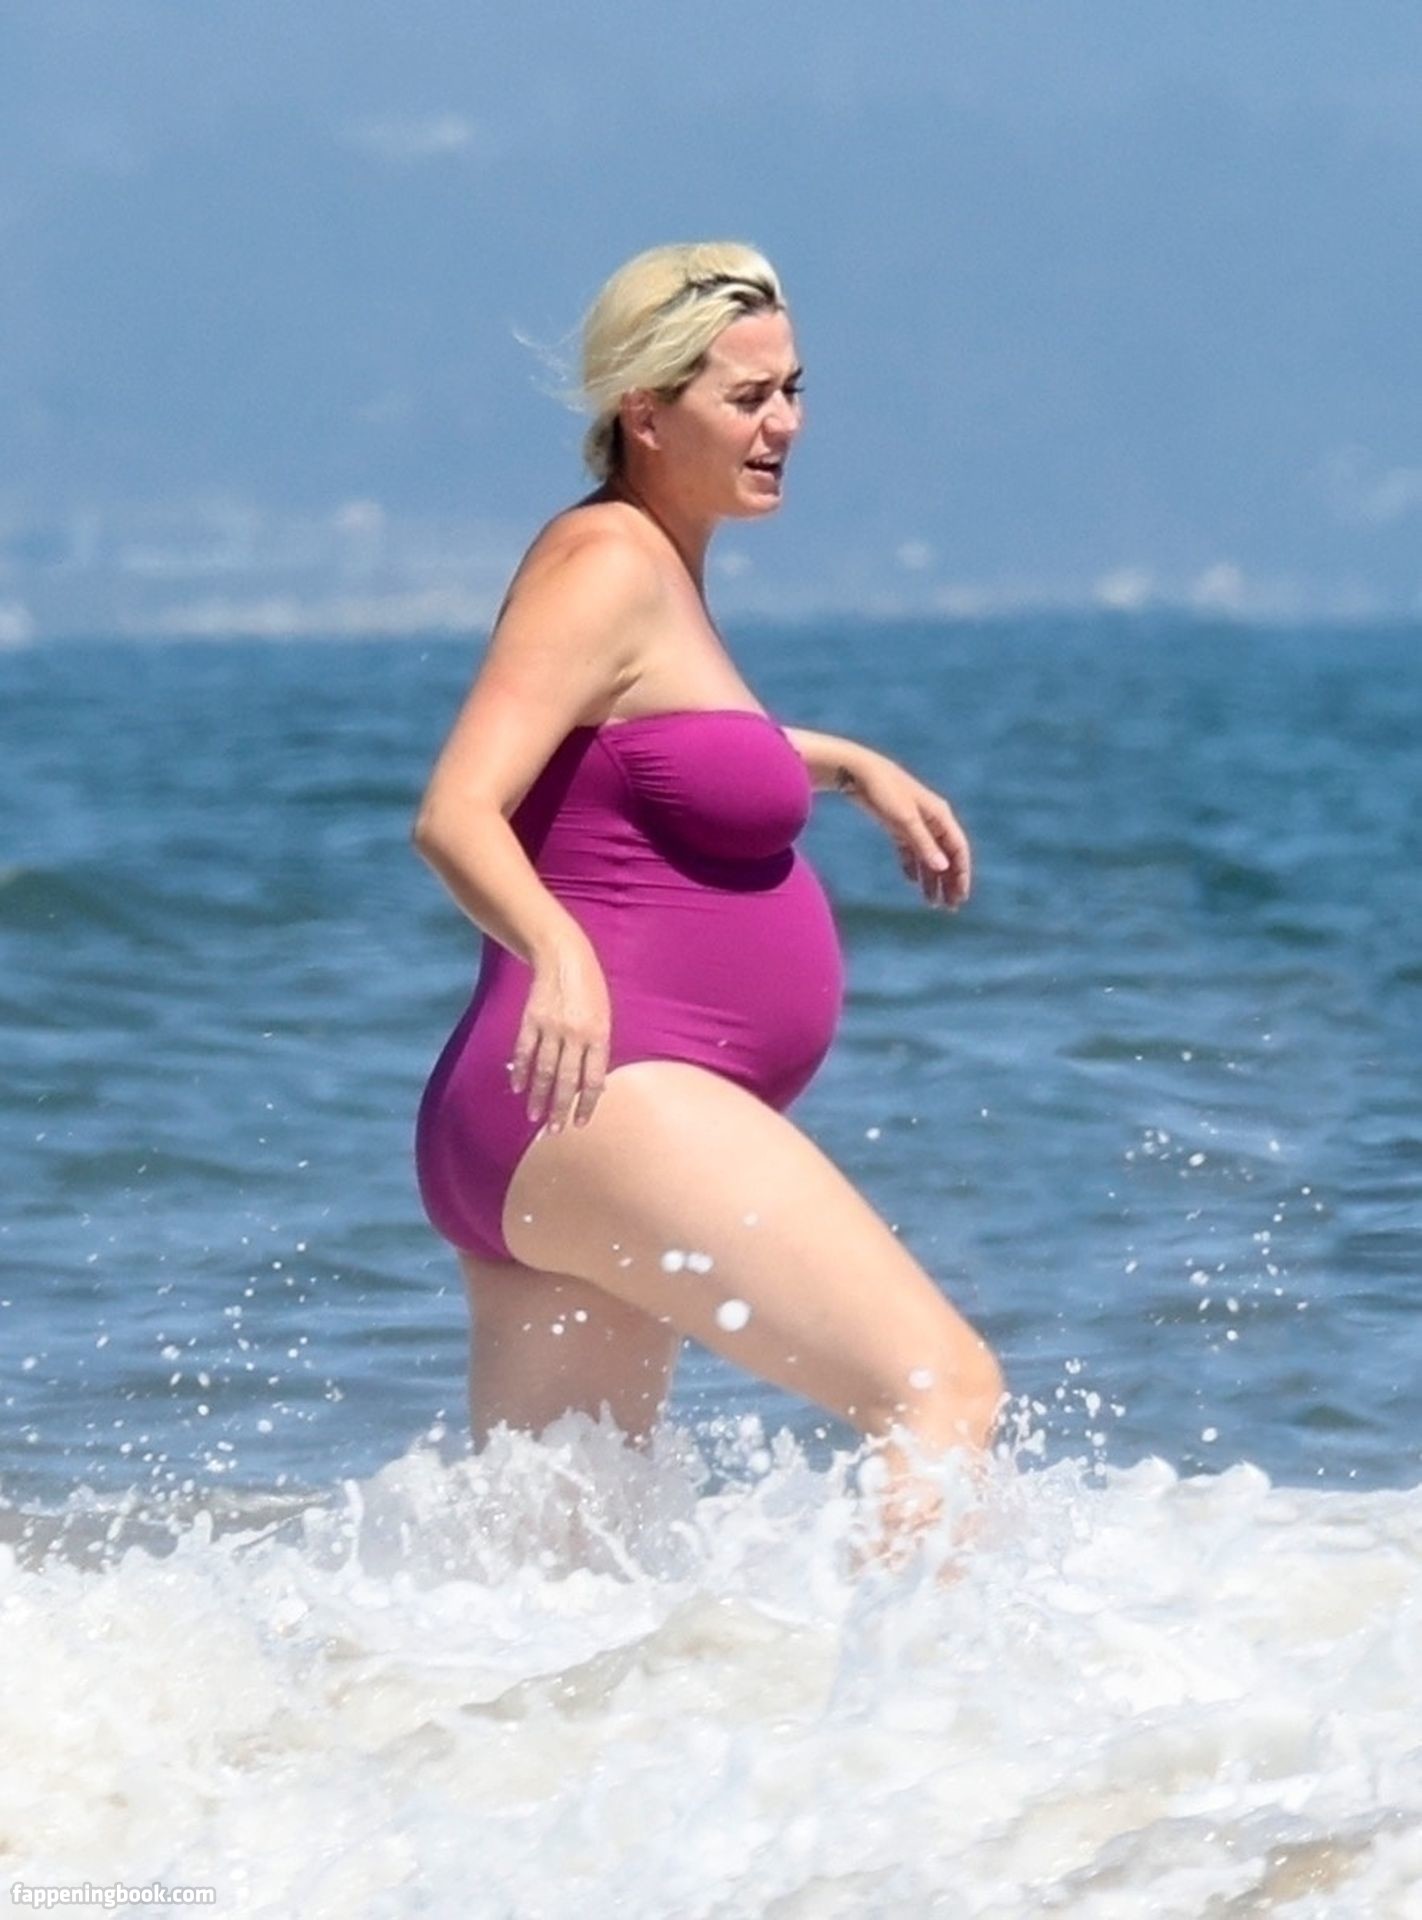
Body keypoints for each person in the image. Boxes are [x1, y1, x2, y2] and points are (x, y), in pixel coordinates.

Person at [412, 240, 1005, 1570]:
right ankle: (920, 1700)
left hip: (539, 1125)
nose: (782, 424)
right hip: (596, 1093)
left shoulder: (649, 570)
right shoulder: (605, 562)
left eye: (792, 390)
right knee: (941, 1395)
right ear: (645, 410)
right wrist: (559, 949)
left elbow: (640, 746)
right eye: (745, 398)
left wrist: (841, 762)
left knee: (563, 1583)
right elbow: (455, 810)